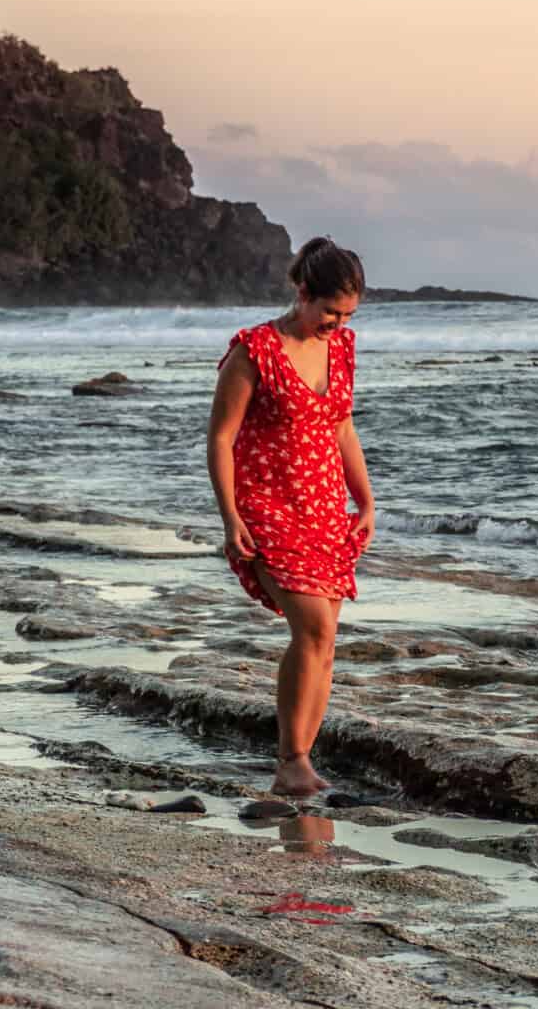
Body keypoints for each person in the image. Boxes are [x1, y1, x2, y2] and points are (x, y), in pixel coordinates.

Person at [207, 237, 376, 797]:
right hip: (267, 506)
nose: (337, 323)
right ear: (303, 293)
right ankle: (292, 759)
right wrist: (230, 517)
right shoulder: (254, 351)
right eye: (330, 311)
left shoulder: (342, 348)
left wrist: (366, 500)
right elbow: (221, 436)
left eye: (347, 314)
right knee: (313, 627)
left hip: (325, 507)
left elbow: (342, 429)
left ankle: (302, 762)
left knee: (326, 641)